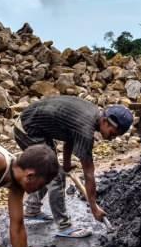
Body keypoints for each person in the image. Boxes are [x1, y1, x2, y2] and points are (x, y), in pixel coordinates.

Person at [13, 96, 133, 238]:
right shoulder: (85, 129)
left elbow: (69, 137)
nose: (111, 138)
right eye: (112, 133)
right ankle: (65, 227)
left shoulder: (94, 114)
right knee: (54, 176)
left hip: (36, 125)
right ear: (106, 122)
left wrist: (67, 164)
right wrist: (94, 207)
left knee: (51, 169)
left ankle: (32, 209)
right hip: (27, 129)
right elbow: (89, 174)